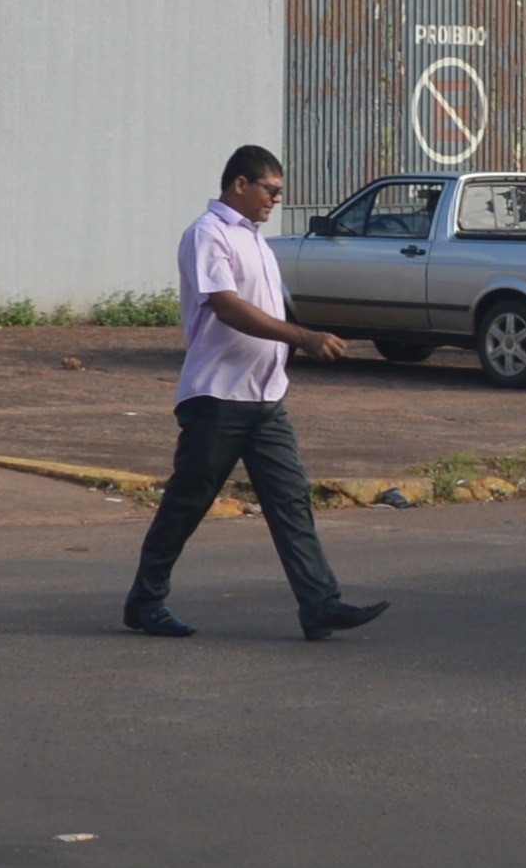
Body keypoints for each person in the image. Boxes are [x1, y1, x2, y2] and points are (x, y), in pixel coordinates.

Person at [126, 143, 388, 642]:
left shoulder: (256, 241)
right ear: (239, 185)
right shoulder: (208, 234)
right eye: (270, 190)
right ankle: (145, 601)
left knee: (291, 500)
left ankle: (319, 603)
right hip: (218, 398)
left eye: (279, 193)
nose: (275, 201)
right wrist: (303, 337)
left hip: (264, 399)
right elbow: (227, 307)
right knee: (187, 502)